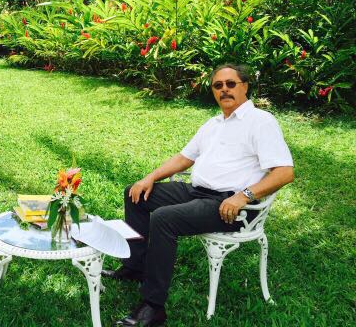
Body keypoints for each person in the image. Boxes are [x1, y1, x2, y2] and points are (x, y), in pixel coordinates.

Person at [108, 64, 295, 326]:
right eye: (218, 85)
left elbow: (285, 172)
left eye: (231, 84)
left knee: (164, 218)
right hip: (195, 192)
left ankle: (153, 306)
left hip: (230, 205)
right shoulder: (213, 123)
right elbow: (185, 158)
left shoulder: (261, 122)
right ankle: (134, 267)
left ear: (245, 86)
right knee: (135, 194)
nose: (224, 90)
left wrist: (244, 196)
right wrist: (150, 177)